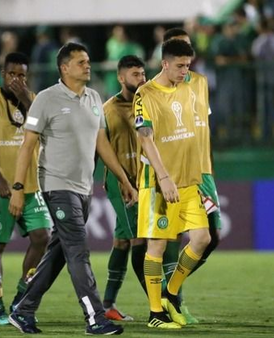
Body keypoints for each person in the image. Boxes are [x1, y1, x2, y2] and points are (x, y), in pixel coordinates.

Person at [6, 42, 136, 335]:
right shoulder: (46, 100)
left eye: (88, 61)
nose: (87, 66)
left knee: (59, 254)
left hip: (83, 188)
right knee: (78, 250)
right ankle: (95, 317)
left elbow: (102, 144)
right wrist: (17, 187)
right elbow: (27, 145)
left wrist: (124, 180)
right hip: (57, 186)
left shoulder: (93, 98)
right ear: (64, 68)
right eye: (81, 62)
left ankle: (23, 309)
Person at [134, 38, 211, 330]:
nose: (184, 71)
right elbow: (145, 137)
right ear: (164, 63)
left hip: (189, 180)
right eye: (179, 66)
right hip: (159, 181)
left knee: (202, 238)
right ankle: (156, 312)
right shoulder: (146, 93)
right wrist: (164, 177)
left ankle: (171, 293)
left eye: (188, 65)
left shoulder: (187, 88)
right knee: (156, 245)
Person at [0, 52, 51, 325]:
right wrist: (0, 179)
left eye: (22, 75)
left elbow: (46, 131)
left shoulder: (35, 100)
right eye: (12, 74)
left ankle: (21, 294)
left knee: (42, 237)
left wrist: (30, 101)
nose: (17, 79)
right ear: (2, 74)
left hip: (31, 184)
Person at [159, 27, 221, 325]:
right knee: (169, 239)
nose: (186, 58)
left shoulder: (200, 83)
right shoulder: (159, 88)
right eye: (180, 51)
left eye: (189, 50)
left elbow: (201, 128)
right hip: (173, 171)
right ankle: (172, 302)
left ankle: (170, 292)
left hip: (203, 170)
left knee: (211, 236)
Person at [101, 55, 147, 321]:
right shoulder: (108, 110)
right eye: (134, 74)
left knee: (121, 240)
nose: (141, 79)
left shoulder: (149, 103)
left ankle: (107, 304)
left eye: (142, 74)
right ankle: (160, 301)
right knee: (138, 239)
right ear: (121, 78)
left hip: (145, 183)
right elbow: (99, 147)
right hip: (121, 183)